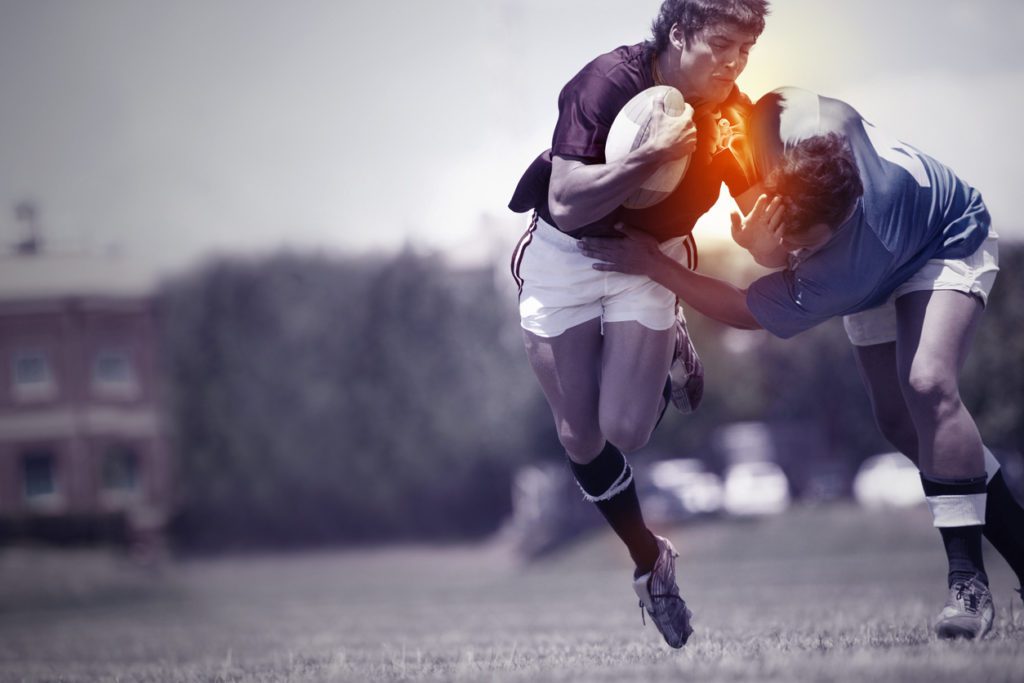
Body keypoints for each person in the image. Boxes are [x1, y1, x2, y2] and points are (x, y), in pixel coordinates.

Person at [579, 86, 1024, 640]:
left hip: (942, 239)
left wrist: (654, 263)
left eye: (805, 244)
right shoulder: (784, 121)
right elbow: (752, 124)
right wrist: (766, 240)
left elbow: (745, 310)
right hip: (873, 252)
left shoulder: (846, 265)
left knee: (928, 385)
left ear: (834, 229)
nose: (796, 248)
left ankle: (968, 585)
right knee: (899, 423)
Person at [507, 0, 770, 648]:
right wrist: (645, 160)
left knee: (626, 428)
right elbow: (566, 198)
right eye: (723, 44)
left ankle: (665, 333)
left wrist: (769, 231)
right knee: (581, 436)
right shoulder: (609, 81)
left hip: (648, 260)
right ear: (679, 33)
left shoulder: (735, 114)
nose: (735, 62)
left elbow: (760, 213)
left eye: (747, 49)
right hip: (567, 252)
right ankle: (651, 560)